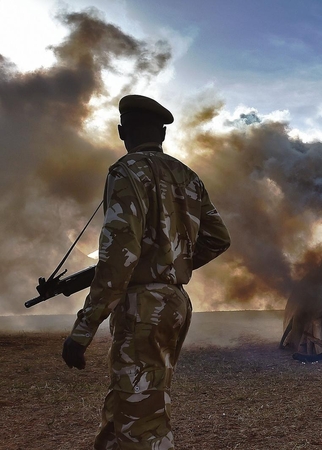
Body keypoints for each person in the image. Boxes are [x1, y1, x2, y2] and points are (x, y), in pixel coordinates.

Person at [62, 94, 231, 449]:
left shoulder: (126, 172)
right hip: (174, 303)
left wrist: (83, 330)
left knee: (143, 422)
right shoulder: (188, 176)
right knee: (130, 404)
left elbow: (118, 255)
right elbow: (218, 238)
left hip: (144, 307)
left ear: (122, 131)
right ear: (163, 136)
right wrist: (172, 265)